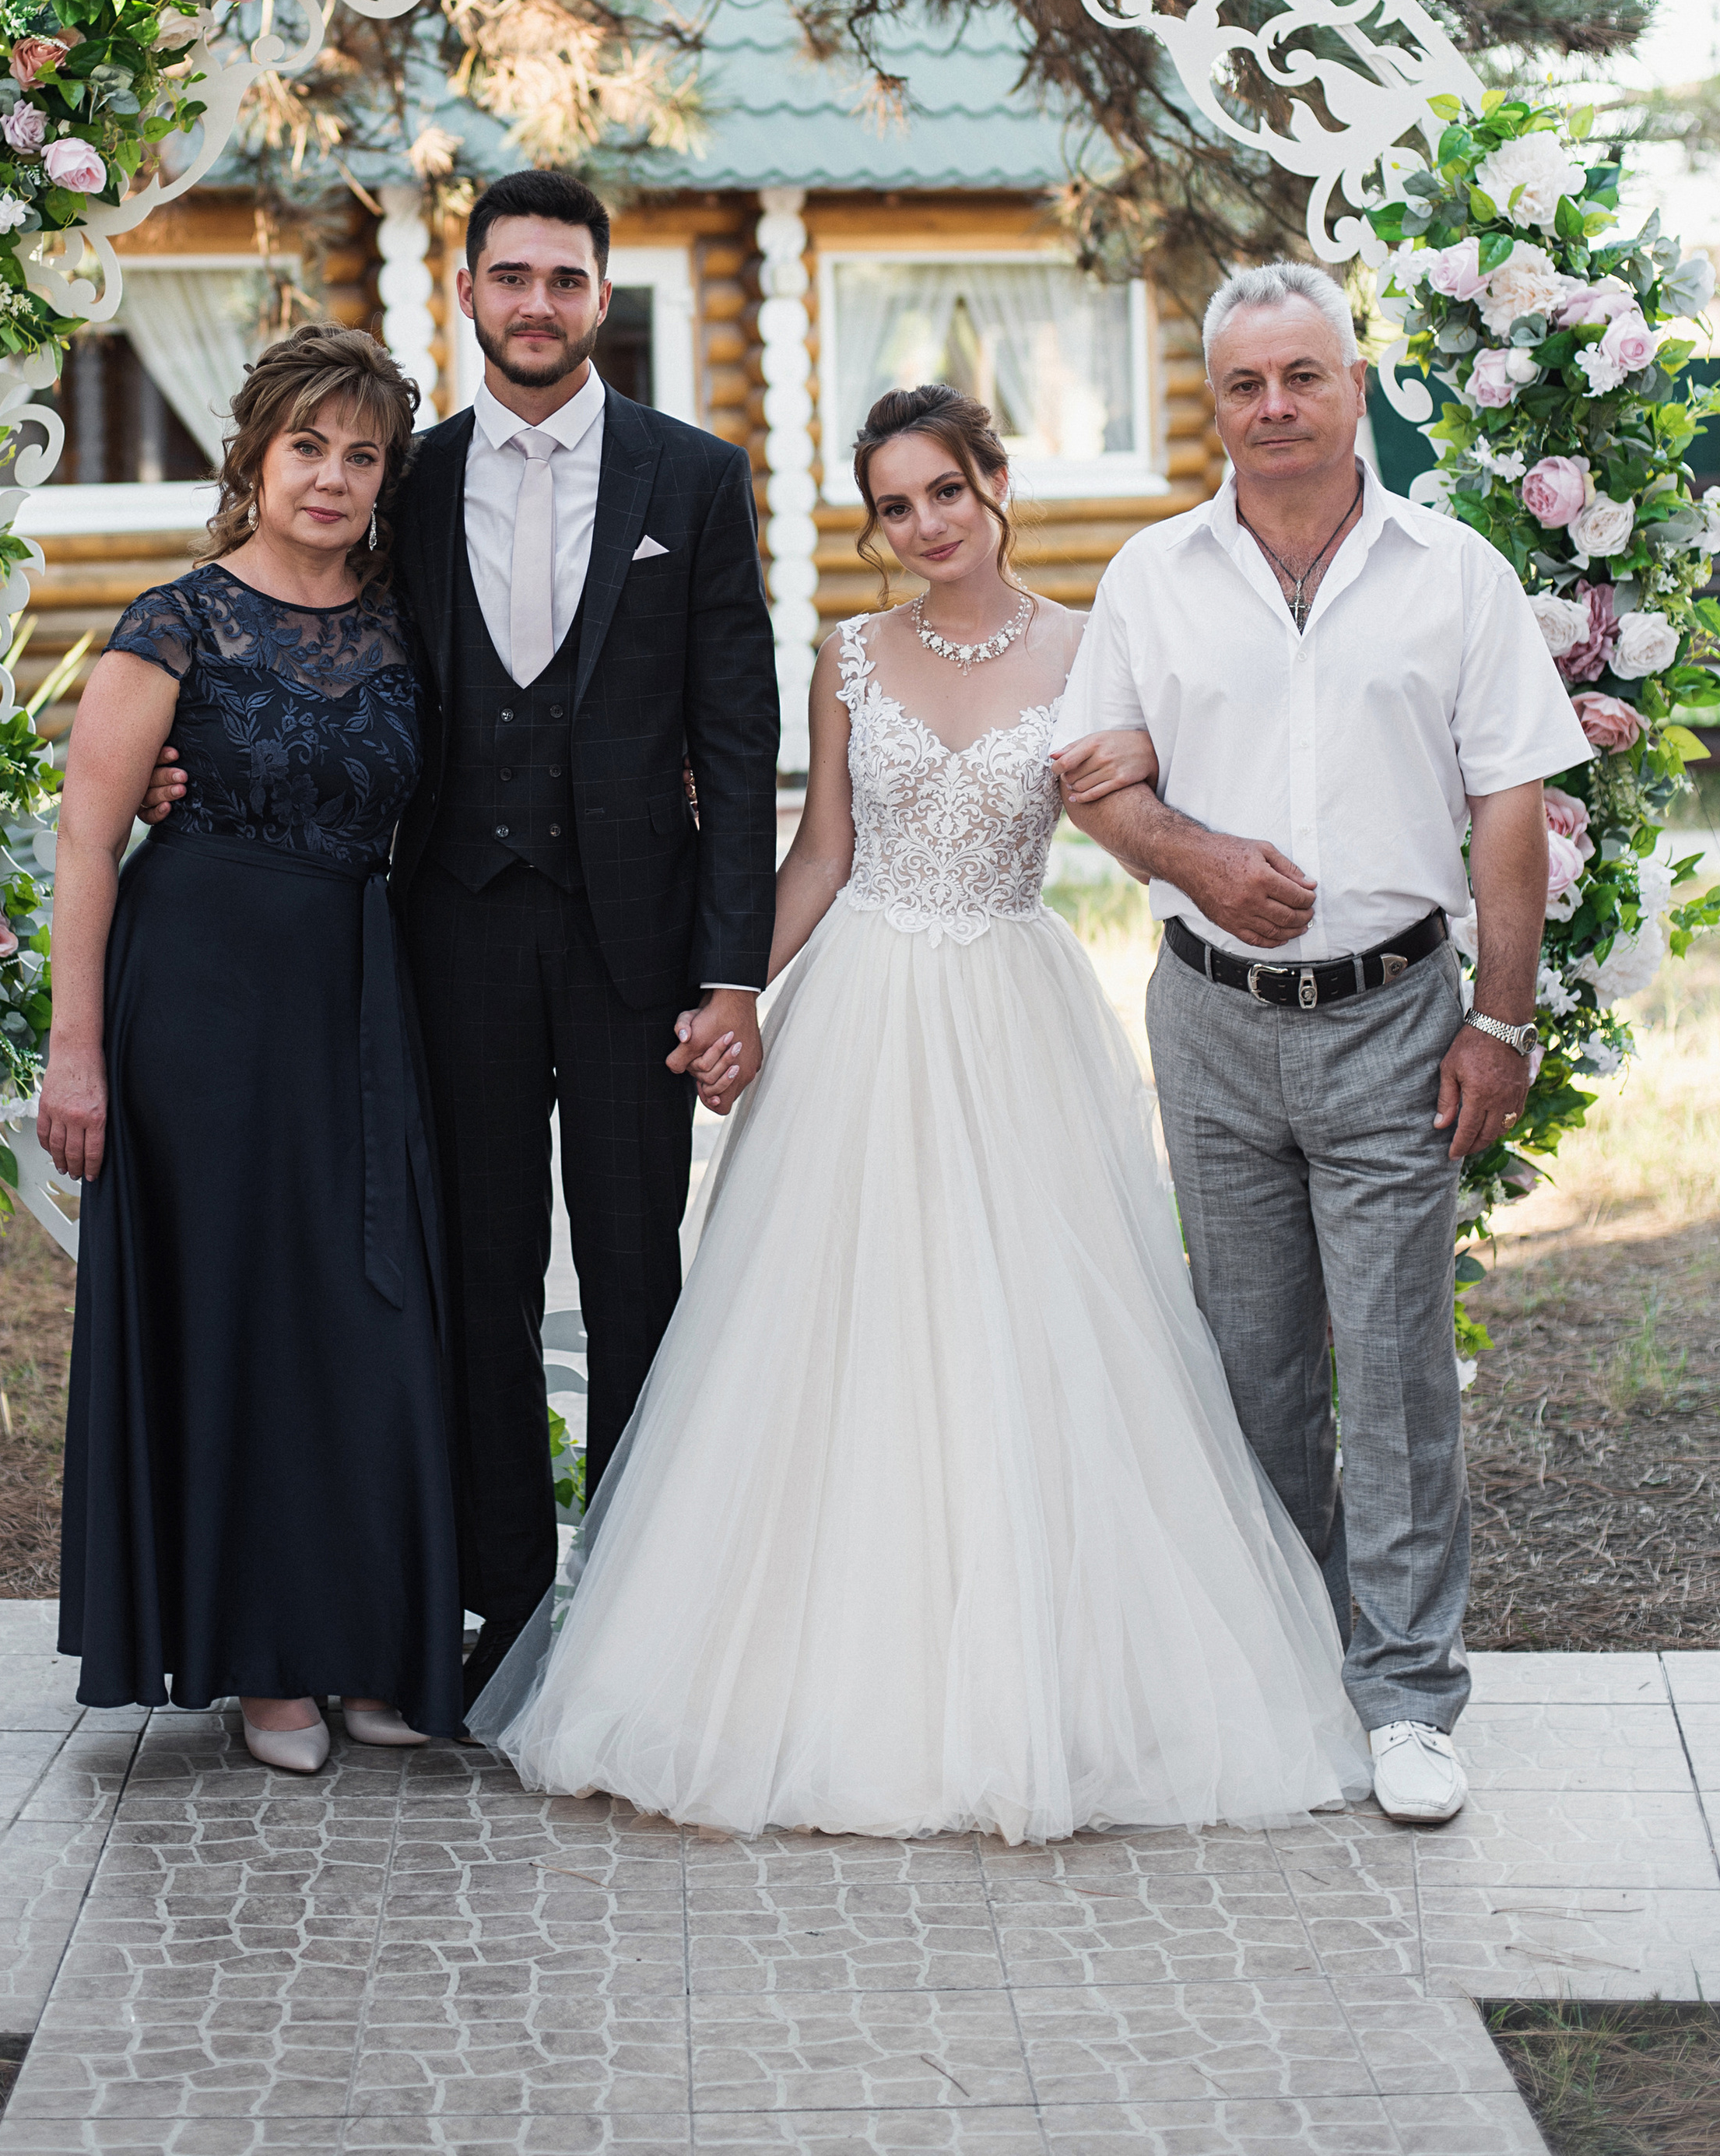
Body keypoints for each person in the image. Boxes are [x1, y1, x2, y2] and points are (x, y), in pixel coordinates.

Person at [469, 384, 1373, 1841]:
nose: (925, 525)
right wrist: (732, 989)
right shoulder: (848, 657)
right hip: (867, 1009)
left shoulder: (1093, 649)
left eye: (945, 491)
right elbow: (821, 850)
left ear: (995, 481)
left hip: (1012, 1007)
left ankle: (1045, 1674)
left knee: (1033, 1331)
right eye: (895, 506)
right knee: (839, 1328)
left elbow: (1148, 815)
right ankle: (801, 1665)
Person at [140, 168, 779, 1712]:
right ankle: (500, 1592)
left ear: (599, 294)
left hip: (634, 948)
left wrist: (732, 968)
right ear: (469, 290)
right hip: (449, 940)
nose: (537, 305)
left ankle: (641, 1587)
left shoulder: (690, 478)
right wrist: (190, 764)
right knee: (475, 1274)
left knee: (635, 1267)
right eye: (512, 278)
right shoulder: (405, 477)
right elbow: (310, 642)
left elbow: (737, 735)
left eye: (565, 279)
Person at [1052, 261, 1586, 1826]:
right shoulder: (1152, 575)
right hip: (1211, 1022)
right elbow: (1101, 780)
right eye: (1241, 385)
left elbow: (1503, 807)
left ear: (1355, 386)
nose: (1270, 409)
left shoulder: (1454, 575)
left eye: (1300, 376)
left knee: (1395, 1369)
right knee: (1250, 1365)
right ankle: (1285, 1672)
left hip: (1393, 1021)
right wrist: (1193, 857)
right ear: (1210, 402)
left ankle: (1408, 1695)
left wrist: (1499, 1018)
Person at [45, 325, 462, 1773]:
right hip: (203, 1001)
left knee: (365, 1311)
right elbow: (89, 843)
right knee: (241, 1317)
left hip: (354, 994)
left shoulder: (414, 619)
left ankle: (363, 1649)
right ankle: (265, 1663)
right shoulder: (177, 621)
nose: (334, 477)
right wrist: (76, 1053)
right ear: (255, 454)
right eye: (310, 447)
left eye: (363, 454)